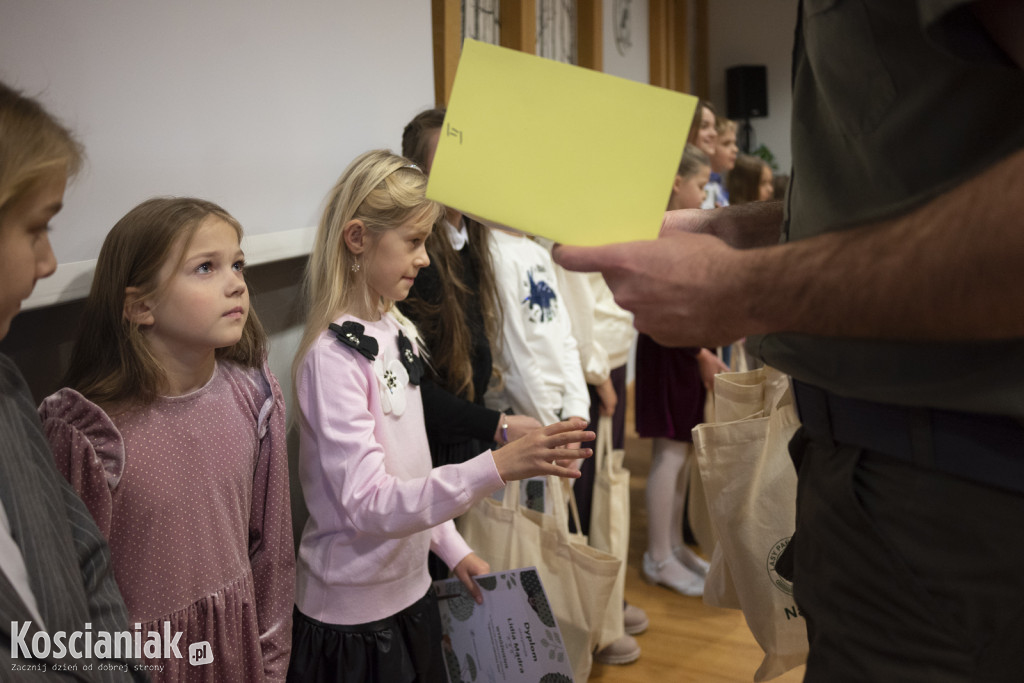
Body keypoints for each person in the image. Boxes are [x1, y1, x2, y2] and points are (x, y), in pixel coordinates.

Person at [554, 2, 1024, 680]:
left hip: (963, 494)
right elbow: (916, 169)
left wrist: (748, 288)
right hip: (876, 478)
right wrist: (751, 230)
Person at [288, 149, 593, 683]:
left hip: (412, 591)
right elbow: (368, 503)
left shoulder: (393, 327)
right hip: (355, 618)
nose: (425, 258)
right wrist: (495, 466)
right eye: (412, 241)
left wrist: (451, 548)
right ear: (357, 239)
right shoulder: (330, 358)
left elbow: (411, 470)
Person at [39, 197, 295, 680]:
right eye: (205, 267)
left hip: (237, 655)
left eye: (237, 264)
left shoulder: (252, 395)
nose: (236, 281)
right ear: (140, 306)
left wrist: (272, 666)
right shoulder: (90, 434)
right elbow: (71, 598)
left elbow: (273, 550)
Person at [0, 80, 142, 679]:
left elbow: (85, 555)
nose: (49, 263)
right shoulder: (82, 428)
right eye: (36, 228)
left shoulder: (6, 387)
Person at [637, 145, 726, 598]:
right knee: (669, 454)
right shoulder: (655, 230)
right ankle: (657, 555)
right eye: (699, 184)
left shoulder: (682, 230)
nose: (705, 193)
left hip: (686, 348)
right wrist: (699, 352)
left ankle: (672, 544)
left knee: (683, 451)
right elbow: (665, 297)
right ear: (676, 183)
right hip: (670, 349)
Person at [702, 116, 737, 209]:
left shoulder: (718, 184)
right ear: (710, 144)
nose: (735, 149)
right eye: (726, 144)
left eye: (734, 143)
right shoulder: (702, 186)